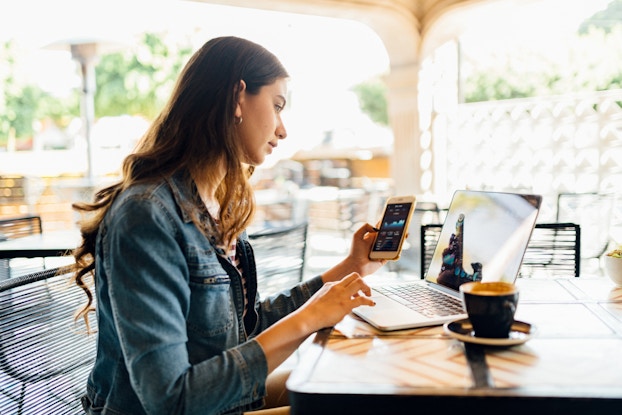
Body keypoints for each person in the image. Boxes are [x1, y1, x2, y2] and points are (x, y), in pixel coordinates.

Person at [71, 36, 387, 415]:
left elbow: (245, 327)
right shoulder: (147, 215)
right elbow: (169, 399)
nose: (283, 130)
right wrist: (309, 319)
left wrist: (351, 268)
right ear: (238, 97)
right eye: (277, 105)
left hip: (219, 403)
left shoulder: (218, 205)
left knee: (362, 386)